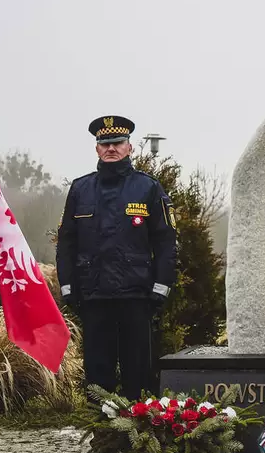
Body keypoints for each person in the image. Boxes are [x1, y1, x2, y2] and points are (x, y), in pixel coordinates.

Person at [56, 115, 178, 403]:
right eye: (105, 143)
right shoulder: (80, 189)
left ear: (130, 147)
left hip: (136, 296)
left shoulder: (148, 188)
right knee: (97, 375)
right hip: (94, 296)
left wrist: (161, 286)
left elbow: (165, 240)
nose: (111, 148)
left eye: (118, 143)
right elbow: (67, 242)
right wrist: (68, 286)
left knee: (138, 372)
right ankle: (100, 439)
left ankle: (138, 436)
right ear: (97, 149)